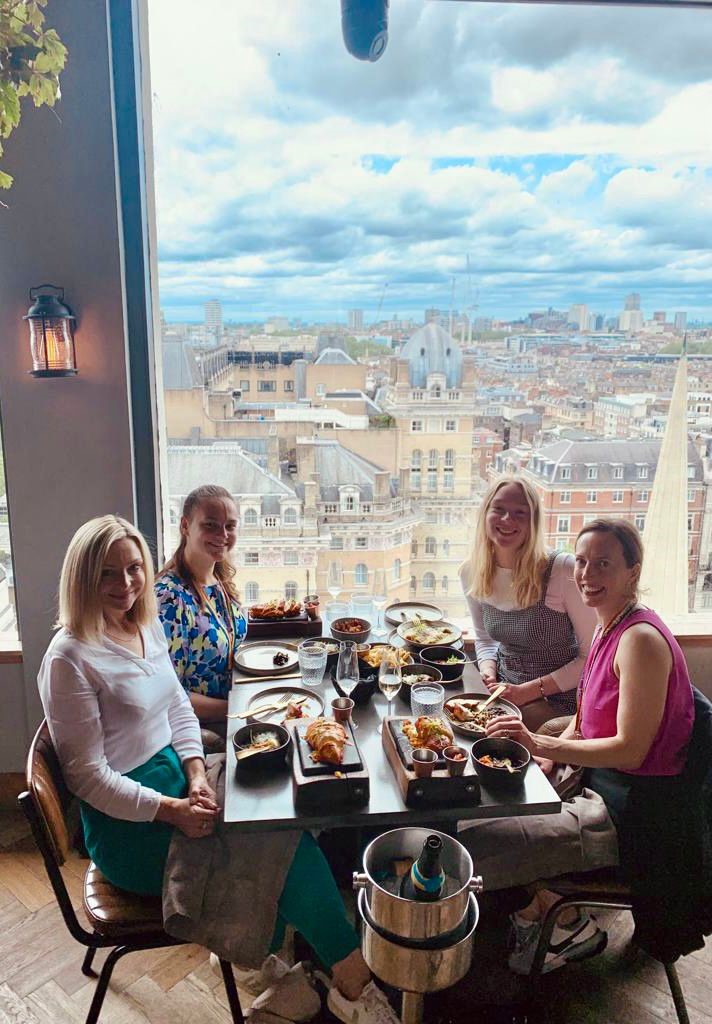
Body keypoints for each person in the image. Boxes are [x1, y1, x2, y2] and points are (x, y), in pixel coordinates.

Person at [37, 515, 401, 1024]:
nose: (126, 585)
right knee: (278, 840)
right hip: (129, 827)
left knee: (282, 807)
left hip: (177, 780)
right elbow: (87, 778)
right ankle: (351, 981)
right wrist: (171, 810)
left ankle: (275, 963)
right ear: (82, 578)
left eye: (134, 569)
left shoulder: (140, 624)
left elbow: (177, 710)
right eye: (108, 574)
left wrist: (197, 773)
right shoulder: (68, 659)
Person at [458, 518, 703, 974]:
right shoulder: (610, 627)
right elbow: (589, 713)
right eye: (583, 562)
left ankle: (564, 921)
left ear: (633, 571)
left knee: (477, 847)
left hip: (627, 814)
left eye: (604, 564)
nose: (588, 575)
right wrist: (550, 750)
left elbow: (630, 751)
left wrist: (536, 743)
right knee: (484, 798)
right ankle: (545, 908)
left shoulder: (641, 642)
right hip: (599, 782)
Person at [460, 476, 597, 730]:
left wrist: (528, 691)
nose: (506, 520)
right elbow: (485, 639)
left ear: (533, 522)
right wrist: (488, 670)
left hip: (559, 701)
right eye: (498, 509)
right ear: (485, 514)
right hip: (504, 693)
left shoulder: (561, 570)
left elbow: (592, 657)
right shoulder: (472, 572)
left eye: (519, 513)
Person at [155, 485, 247, 748]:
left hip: (232, 713)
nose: (223, 534)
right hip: (201, 730)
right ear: (185, 526)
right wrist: (239, 707)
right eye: (211, 525)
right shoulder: (169, 599)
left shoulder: (219, 578)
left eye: (230, 525)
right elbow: (170, 696)